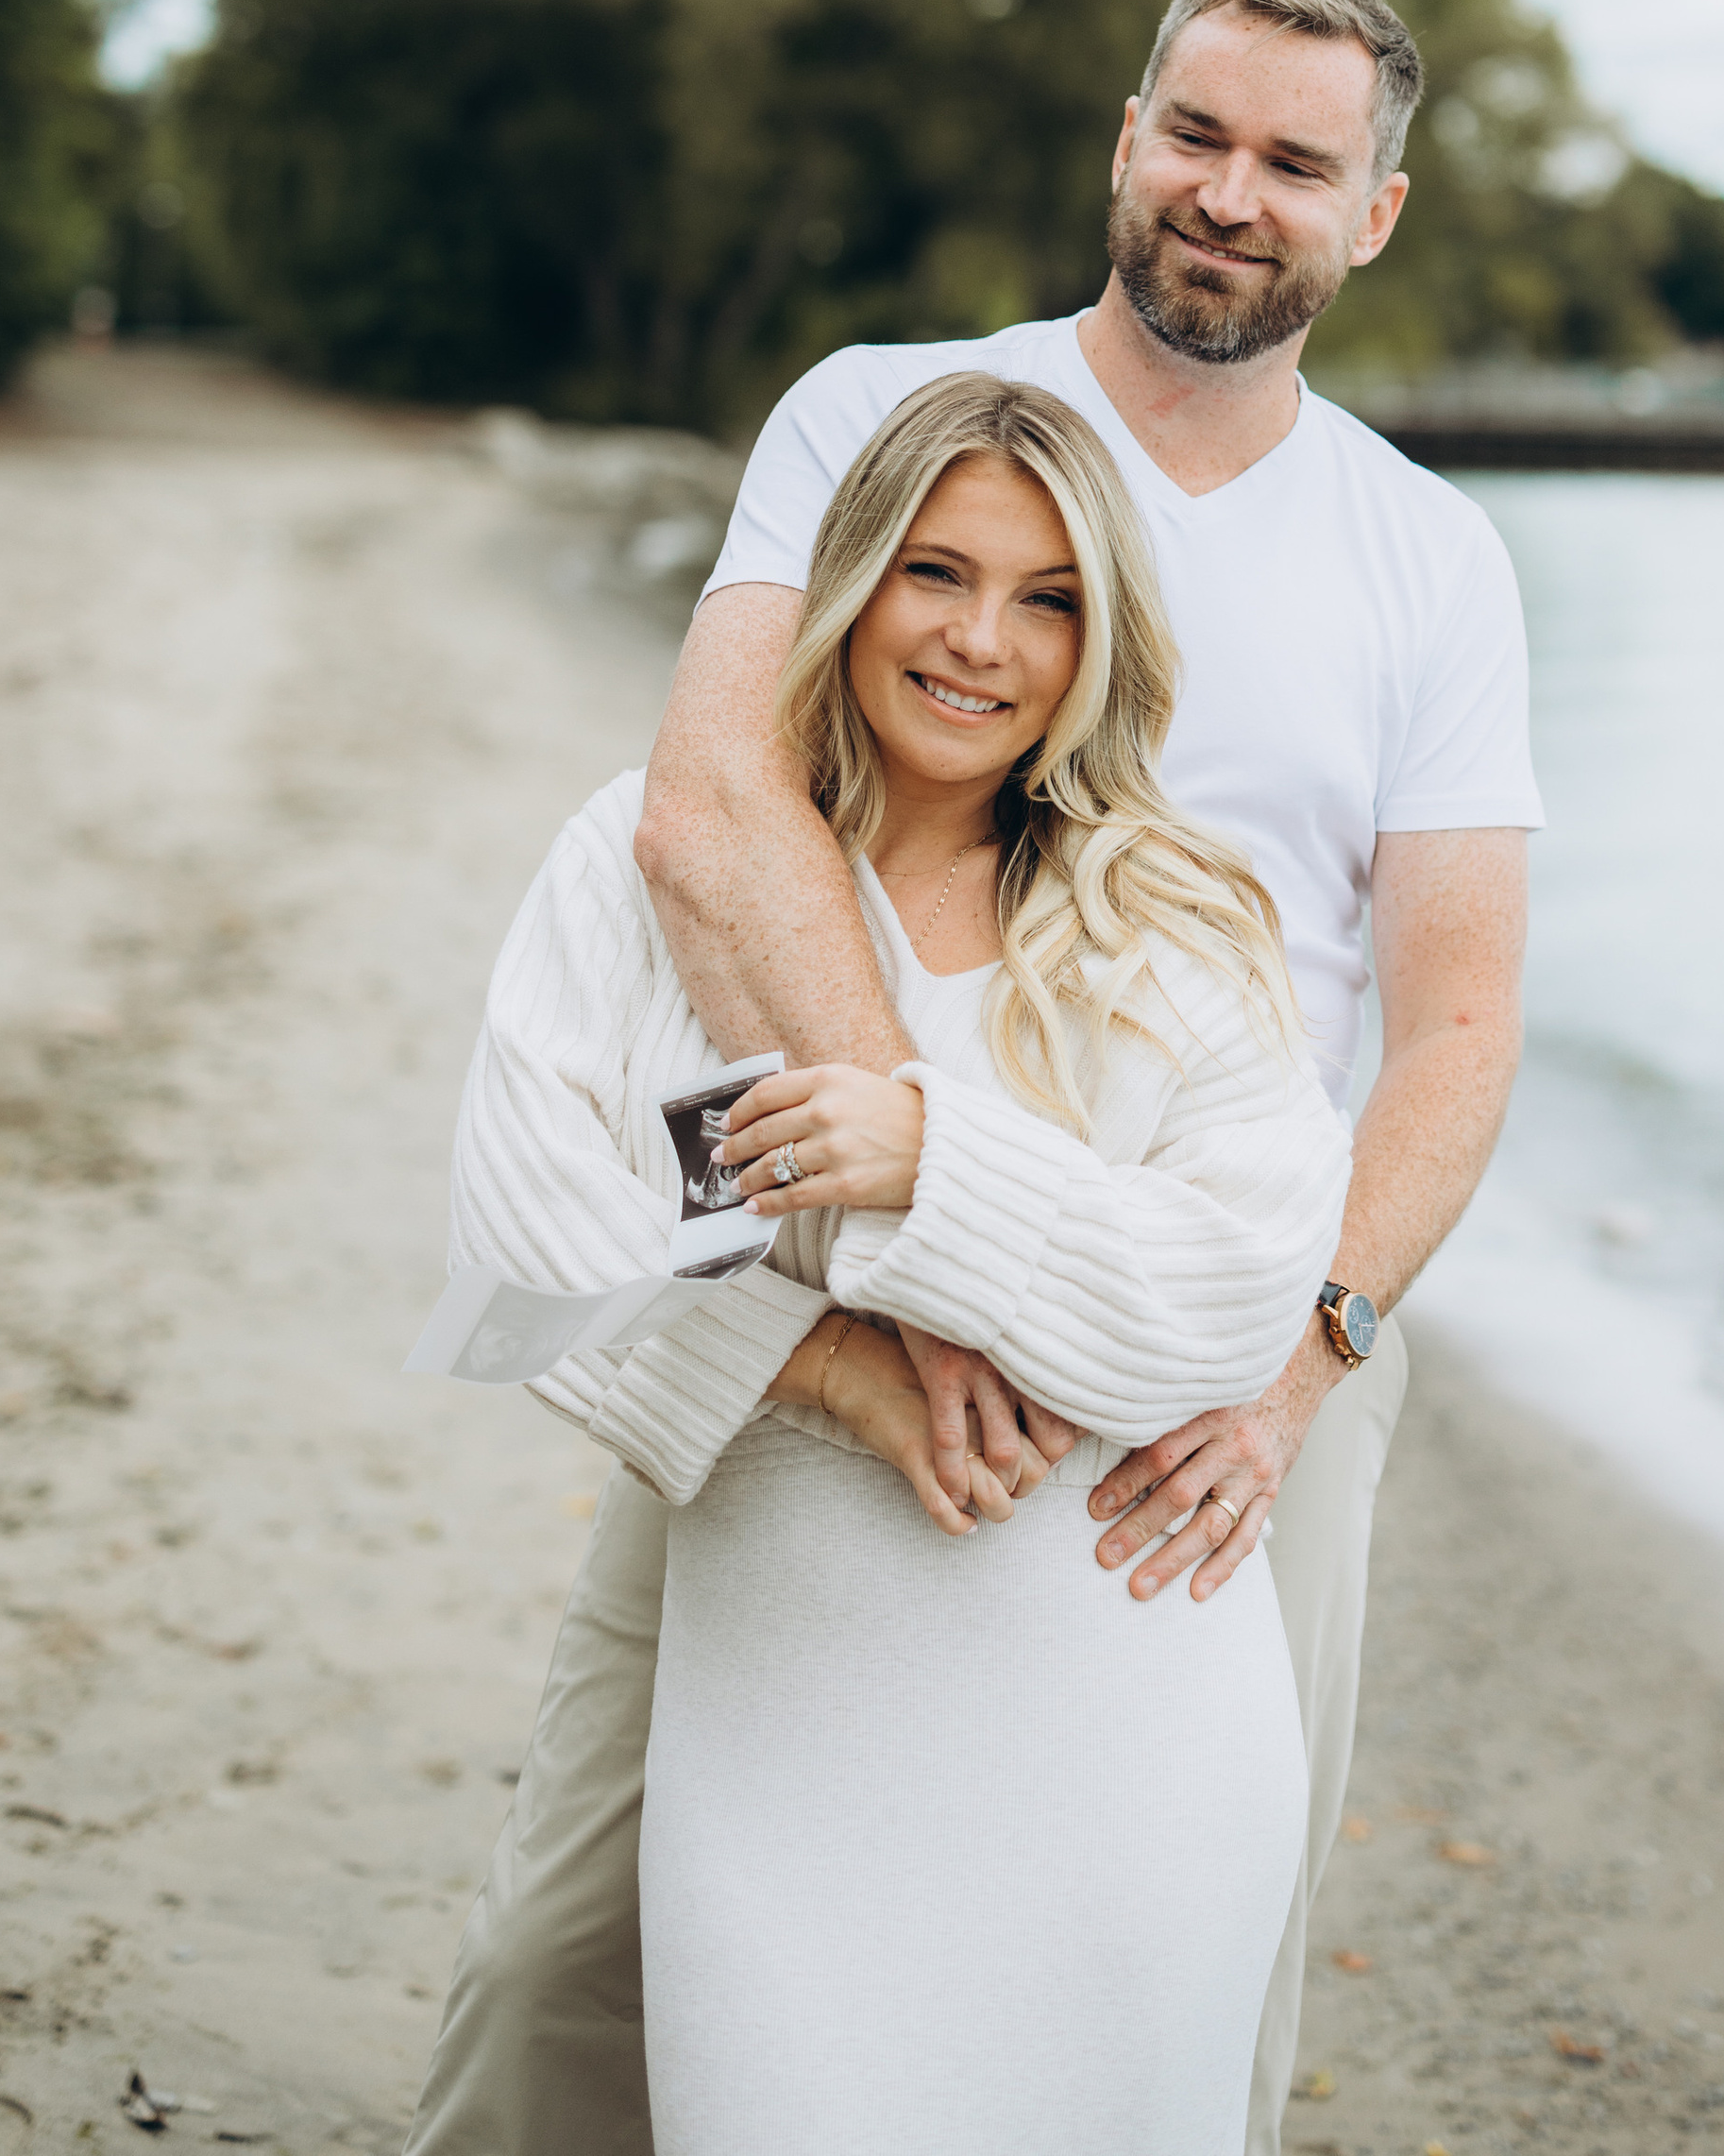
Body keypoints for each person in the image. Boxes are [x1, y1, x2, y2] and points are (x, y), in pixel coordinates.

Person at [406, 0, 1541, 2156]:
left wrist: (1305, 1352)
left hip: (1232, 1325)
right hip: (805, 1264)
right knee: (587, 1935)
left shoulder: (1431, 556)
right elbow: (714, 810)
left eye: (1295, 164)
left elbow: (1459, 1015)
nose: (1231, 192)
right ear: (1126, 138)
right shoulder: (878, 413)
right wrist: (901, 1265)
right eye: (1195, 133)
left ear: (1372, 214)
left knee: (1181, 1937)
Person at [443, 374, 1352, 2156]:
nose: (981, 642)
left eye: (1049, 598)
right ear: (848, 580)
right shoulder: (658, 866)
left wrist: (941, 1160)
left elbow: (1235, 1285)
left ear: (1105, 642)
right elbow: (533, 1221)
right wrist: (830, 1361)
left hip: (1125, 1716)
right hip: (781, 1726)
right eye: (937, 573)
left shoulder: (1170, 911)